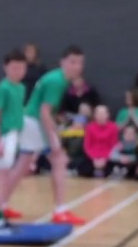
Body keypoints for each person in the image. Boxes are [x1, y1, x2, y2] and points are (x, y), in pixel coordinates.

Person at [8, 46, 89, 227]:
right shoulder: (57, 81)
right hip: (34, 122)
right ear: (63, 62)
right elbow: (45, 113)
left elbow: (46, 110)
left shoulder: (57, 78)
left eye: (80, 63)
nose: (77, 66)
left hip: (31, 120)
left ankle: (3, 205)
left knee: (23, 165)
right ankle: (60, 211)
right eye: (73, 62)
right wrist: (55, 139)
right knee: (59, 161)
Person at [0, 50, 29, 229]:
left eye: (21, 68)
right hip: (3, 136)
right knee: (1, 176)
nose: (18, 71)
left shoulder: (21, 88)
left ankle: (2, 210)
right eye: (14, 68)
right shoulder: (3, 88)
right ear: (5, 68)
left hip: (14, 135)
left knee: (5, 177)